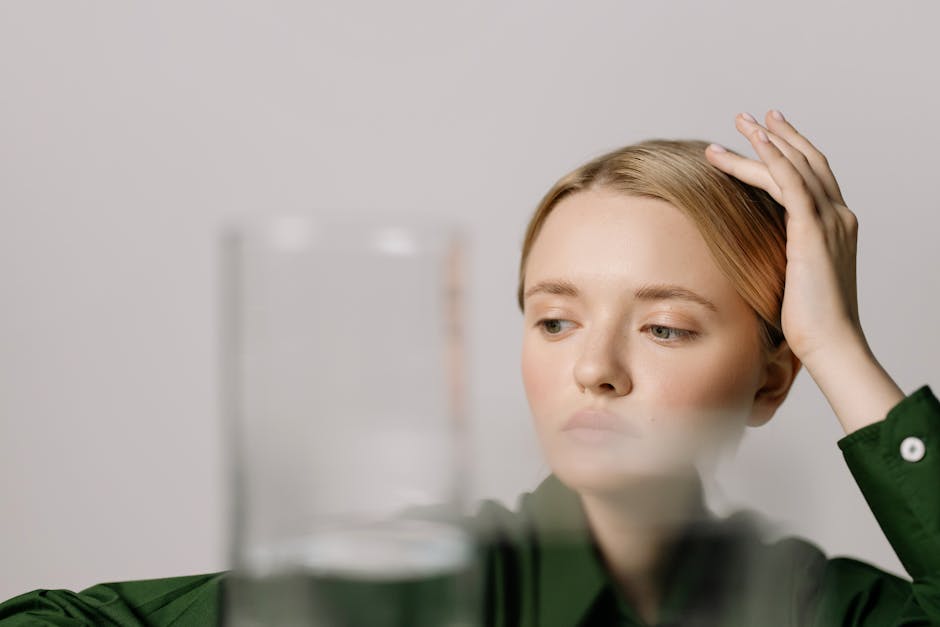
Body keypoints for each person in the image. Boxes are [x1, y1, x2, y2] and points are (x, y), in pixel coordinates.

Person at [1, 110, 937, 626]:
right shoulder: (403, 585)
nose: (595, 370)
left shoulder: (822, 609)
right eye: (555, 319)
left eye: (664, 329)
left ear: (773, 379)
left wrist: (839, 348)